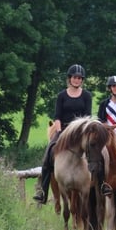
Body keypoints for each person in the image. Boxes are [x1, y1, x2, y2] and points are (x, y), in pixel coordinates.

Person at [33, 64, 94, 203]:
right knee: (48, 154)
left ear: (82, 80)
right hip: (63, 129)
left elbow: (87, 116)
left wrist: (81, 131)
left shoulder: (86, 95)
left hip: (80, 131)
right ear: (69, 79)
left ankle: (101, 184)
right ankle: (42, 191)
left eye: (79, 78)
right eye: (74, 77)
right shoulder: (62, 95)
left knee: (98, 152)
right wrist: (60, 132)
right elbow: (57, 116)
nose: (77, 80)